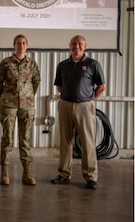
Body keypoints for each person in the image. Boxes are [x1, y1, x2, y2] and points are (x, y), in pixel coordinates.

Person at [51, 35, 106, 189]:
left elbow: (101, 86)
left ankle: (90, 177)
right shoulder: (62, 65)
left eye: (80, 44)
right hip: (65, 105)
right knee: (65, 141)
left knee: (87, 141)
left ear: (85, 46)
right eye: (74, 44)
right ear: (69, 45)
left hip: (85, 107)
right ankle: (63, 173)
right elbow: (59, 86)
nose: (77, 46)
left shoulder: (93, 64)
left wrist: (90, 100)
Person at [0, 34, 40, 186]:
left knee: (25, 139)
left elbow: (36, 82)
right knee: (7, 138)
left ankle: (27, 173)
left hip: (27, 106)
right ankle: (5, 172)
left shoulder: (32, 63)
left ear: (27, 46)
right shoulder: (6, 63)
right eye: (18, 43)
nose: (21, 45)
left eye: (23, 43)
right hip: (9, 105)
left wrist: (28, 97)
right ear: (14, 45)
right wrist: (4, 99)